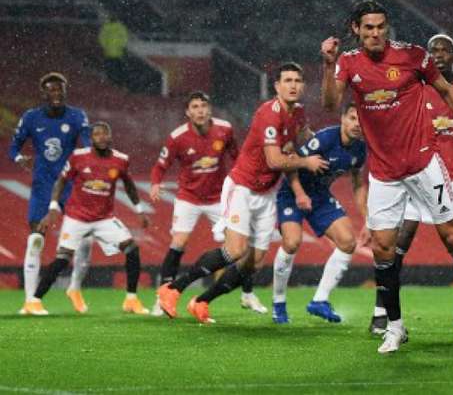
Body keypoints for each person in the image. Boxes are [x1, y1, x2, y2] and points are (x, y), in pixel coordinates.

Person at [321, 0, 453, 354]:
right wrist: (328, 65)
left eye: (381, 26)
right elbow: (330, 103)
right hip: (384, 175)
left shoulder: (413, 56)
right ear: (356, 30)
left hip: (424, 166)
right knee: (383, 249)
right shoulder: (348, 62)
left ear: (387, 28)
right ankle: (394, 326)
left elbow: (449, 92)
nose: (375, 33)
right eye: (368, 27)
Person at [156, 62, 327, 323]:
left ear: (302, 86)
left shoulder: (299, 113)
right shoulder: (268, 114)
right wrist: (307, 162)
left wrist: (318, 151)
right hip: (243, 187)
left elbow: (296, 143)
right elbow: (274, 161)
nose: (293, 85)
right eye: (287, 80)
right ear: (277, 86)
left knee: (254, 263)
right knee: (235, 250)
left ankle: (201, 301)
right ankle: (173, 288)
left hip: (267, 193)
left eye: (297, 80)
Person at [368, 33, 453, 334]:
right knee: (395, 247)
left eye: (444, 50)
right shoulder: (416, 87)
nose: (437, 55)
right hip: (416, 175)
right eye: (432, 50)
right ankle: (380, 312)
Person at [148, 92, 266, 315]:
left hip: (218, 199)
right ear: (188, 112)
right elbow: (160, 166)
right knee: (178, 243)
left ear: (210, 109)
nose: (200, 110)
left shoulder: (225, 129)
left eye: (204, 105)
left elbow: (237, 156)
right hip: (188, 198)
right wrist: (155, 183)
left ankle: (248, 294)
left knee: (241, 246)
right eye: (195, 106)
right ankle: (162, 296)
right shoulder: (178, 137)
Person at [27, 122, 150, 314]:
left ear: (110, 137)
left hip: (104, 219)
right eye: (97, 134)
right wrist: (52, 208)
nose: (101, 137)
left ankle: (131, 299)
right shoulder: (78, 157)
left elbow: (129, 185)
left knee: (132, 249)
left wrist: (139, 209)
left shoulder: (121, 160)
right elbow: (61, 181)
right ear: (91, 138)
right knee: (62, 260)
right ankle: (34, 301)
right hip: (76, 218)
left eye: (104, 134)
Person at [272, 103, 367, 324]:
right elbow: (290, 163)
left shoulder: (360, 149)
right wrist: (299, 194)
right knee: (292, 242)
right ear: (343, 118)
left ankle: (319, 301)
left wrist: (367, 219)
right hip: (292, 192)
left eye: (361, 120)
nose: (357, 124)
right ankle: (278, 303)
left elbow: (358, 184)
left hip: (320, 196)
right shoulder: (325, 139)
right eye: (352, 118)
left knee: (347, 242)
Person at [10, 72, 94, 315]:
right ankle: (30, 301)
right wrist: (18, 158)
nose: (56, 94)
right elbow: (13, 147)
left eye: (60, 89)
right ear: (43, 93)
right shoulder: (31, 117)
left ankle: (75, 288)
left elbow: (88, 144)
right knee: (35, 240)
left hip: (70, 186)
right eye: (51, 90)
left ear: (65, 91)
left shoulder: (77, 116)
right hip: (42, 188)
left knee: (86, 240)